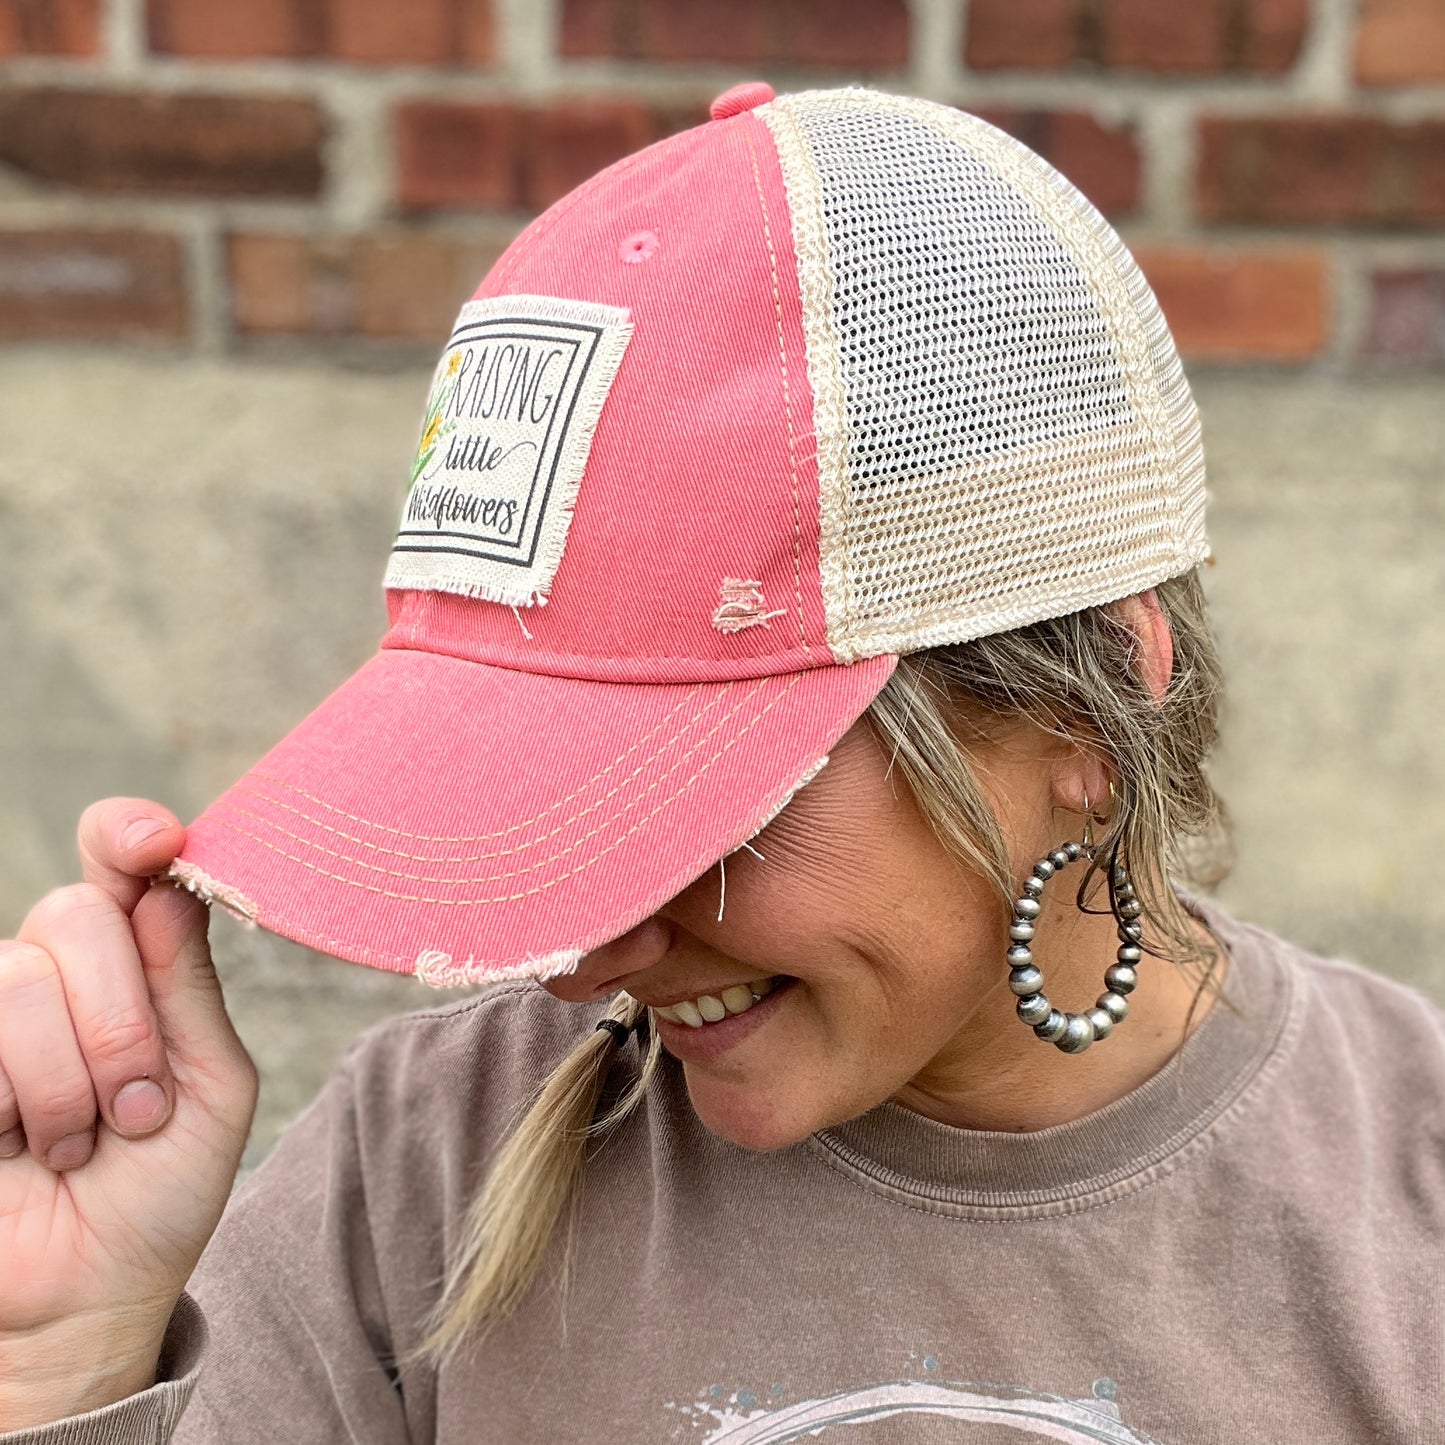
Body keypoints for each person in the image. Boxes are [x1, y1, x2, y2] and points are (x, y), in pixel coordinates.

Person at [0, 84, 1439, 1445]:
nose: (585, 959)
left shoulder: (1406, 1211)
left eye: (714, 808)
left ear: (1088, 708)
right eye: (543, 806)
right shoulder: (424, 1161)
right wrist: (64, 1365)